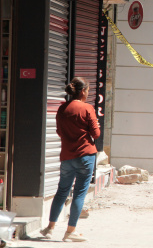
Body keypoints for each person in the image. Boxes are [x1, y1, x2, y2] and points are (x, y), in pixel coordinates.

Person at [40, 77, 101, 242]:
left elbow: (59, 132)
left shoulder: (62, 109)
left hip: (67, 156)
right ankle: (70, 232)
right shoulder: (87, 108)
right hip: (85, 156)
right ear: (82, 91)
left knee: (61, 192)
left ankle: (50, 228)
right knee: (79, 194)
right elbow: (96, 134)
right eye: (87, 91)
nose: (87, 94)